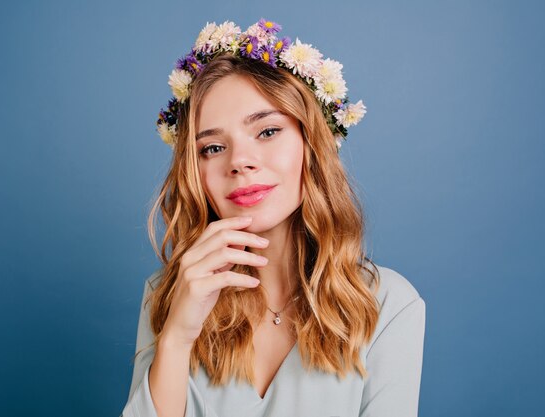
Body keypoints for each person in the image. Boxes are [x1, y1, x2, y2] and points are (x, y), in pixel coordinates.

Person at [121, 19, 426, 417]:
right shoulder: (169, 293)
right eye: (212, 147)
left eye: (267, 132)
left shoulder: (387, 305)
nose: (240, 162)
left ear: (310, 143)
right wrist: (177, 337)